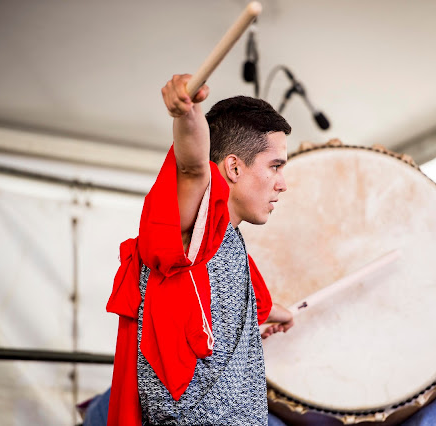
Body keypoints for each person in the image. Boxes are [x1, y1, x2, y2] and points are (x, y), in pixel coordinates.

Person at [105, 74, 294, 426]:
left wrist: (284, 315)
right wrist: (187, 114)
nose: (282, 184)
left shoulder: (230, 241)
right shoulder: (193, 232)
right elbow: (192, 168)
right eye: (275, 166)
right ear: (234, 167)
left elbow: (253, 301)